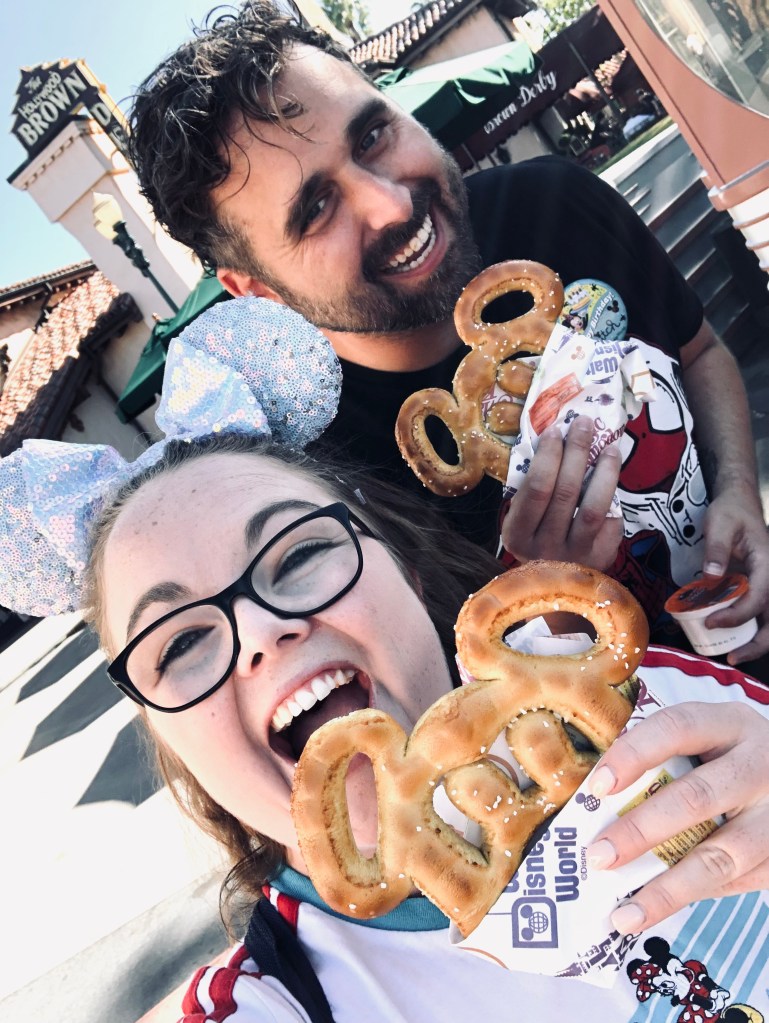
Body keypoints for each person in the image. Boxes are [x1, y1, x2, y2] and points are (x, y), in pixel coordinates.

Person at [2, 312, 769, 1021]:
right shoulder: (281, 1004)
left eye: (298, 553)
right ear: (170, 741)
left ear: (399, 562)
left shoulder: (666, 707)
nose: (261, 633)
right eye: (177, 642)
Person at [126, 1, 769, 671]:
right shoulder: (323, 483)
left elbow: (697, 352)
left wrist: (736, 492)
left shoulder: (558, 202)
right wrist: (551, 609)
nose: (393, 204)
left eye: (372, 135)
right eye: (315, 209)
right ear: (255, 289)